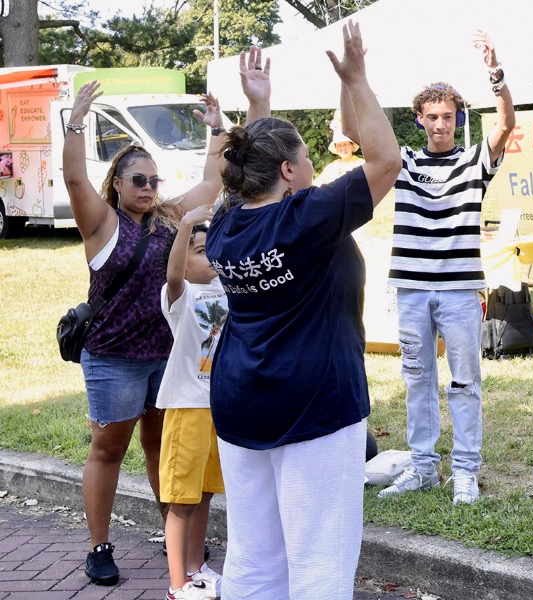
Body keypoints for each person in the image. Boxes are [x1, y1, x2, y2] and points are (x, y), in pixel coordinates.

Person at [204, 24, 401, 600]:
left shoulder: (222, 227)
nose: (314, 166)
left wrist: (259, 106)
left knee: (254, 553)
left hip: (241, 399)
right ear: (289, 171)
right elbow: (384, 161)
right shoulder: (307, 220)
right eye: (308, 157)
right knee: (319, 559)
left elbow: (239, 177)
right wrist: (357, 80)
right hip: (314, 403)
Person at [62, 82, 226, 586]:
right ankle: (99, 546)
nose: (149, 187)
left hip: (164, 355)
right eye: (138, 179)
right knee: (108, 448)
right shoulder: (102, 223)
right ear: (116, 183)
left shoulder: (166, 218)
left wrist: (217, 130)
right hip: (113, 356)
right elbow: (72, 178)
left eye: (154, 179)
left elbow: (212, 183)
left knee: (161, 446)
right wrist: (77, 123)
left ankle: (170, 534)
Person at [362, 30, 514, 505]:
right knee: (417, 379)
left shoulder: (474, 161)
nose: (441, 125)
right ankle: (424, 466)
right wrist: (356, 77)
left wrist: (495, 71)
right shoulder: (402, 161)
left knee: (464, 380)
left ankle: (465, 470)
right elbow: (361, 130)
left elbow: (507, 122)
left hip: (458, 289)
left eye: (448, 117)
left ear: (457, 118)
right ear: (419, 120)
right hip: (410, 289)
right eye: (432, 118)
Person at [156, 205, 226, 600]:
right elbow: (172, 273)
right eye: (201, 251)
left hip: (218, 408)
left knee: (204, 494)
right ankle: (177, 584)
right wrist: (186, 227)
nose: (210, 256)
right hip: (188, 407)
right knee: (181, 499)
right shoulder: (179, 294)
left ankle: (198, 569)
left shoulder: (226, 289)